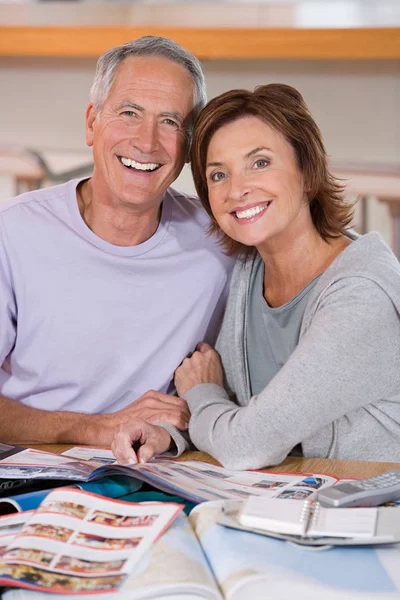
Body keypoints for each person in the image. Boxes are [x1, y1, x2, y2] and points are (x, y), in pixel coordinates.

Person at [112, 83, 400, 468]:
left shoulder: (361, 294)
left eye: (260, 163)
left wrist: (200, 392)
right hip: (283, 496)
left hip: (367, 510)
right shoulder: (250, 268)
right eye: (218, 175)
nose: (238, 190)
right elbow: (242, 409)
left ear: (306, 170)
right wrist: (171, 435)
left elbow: (246, 443)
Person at [0, 36, 233, 448]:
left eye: (170, 122)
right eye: (129, 113)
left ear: (190, 145)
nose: (147, 142)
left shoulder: (219, 243)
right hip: (25, 467)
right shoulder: (13, 233)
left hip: (154, 473)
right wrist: (96, 428)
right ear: (92, 123)